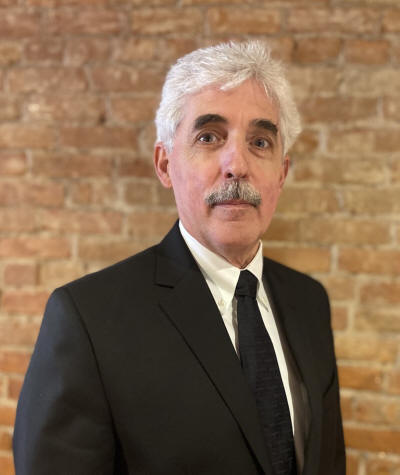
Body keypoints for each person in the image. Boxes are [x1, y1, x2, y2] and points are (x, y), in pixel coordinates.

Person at [13, 41, 345, 475]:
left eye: (260, 142)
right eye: (209, 137)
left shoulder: (309, 301)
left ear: (281, 174)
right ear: (165, 164)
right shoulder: (88, 319)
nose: (237, 164)